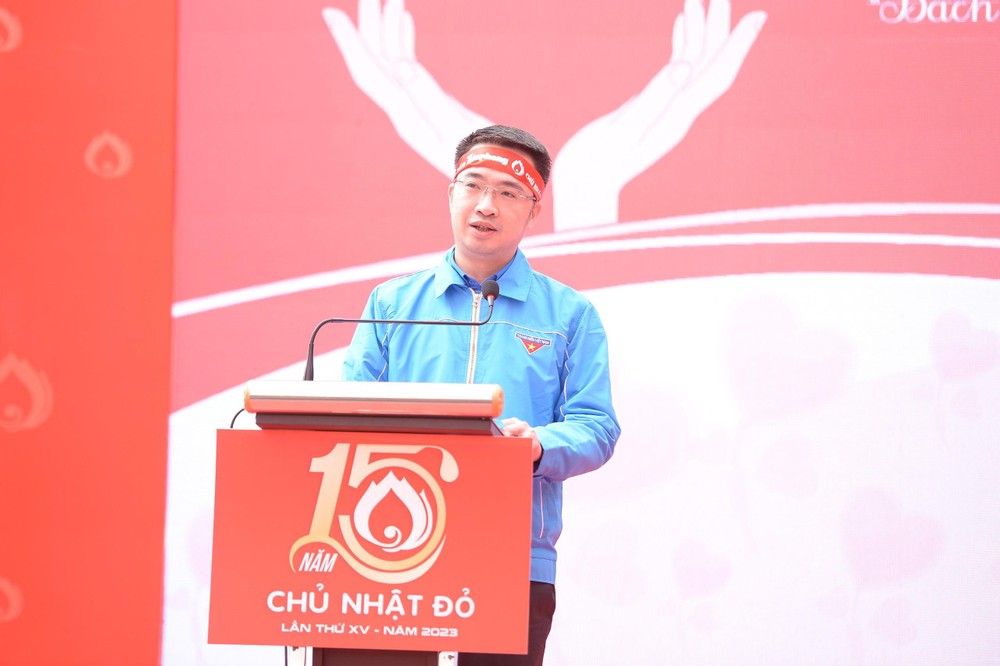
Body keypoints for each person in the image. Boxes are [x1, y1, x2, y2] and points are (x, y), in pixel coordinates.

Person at [342, 125, 621, 665]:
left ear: (533, 211)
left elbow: (598, 426)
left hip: (513, 557)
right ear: (451, 194)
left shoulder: (569, 315)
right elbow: (349, 413)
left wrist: (538, 445)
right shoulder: (392, 302)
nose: (486, 205)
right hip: (390, 551)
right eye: (472, 185)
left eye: (508, 192)